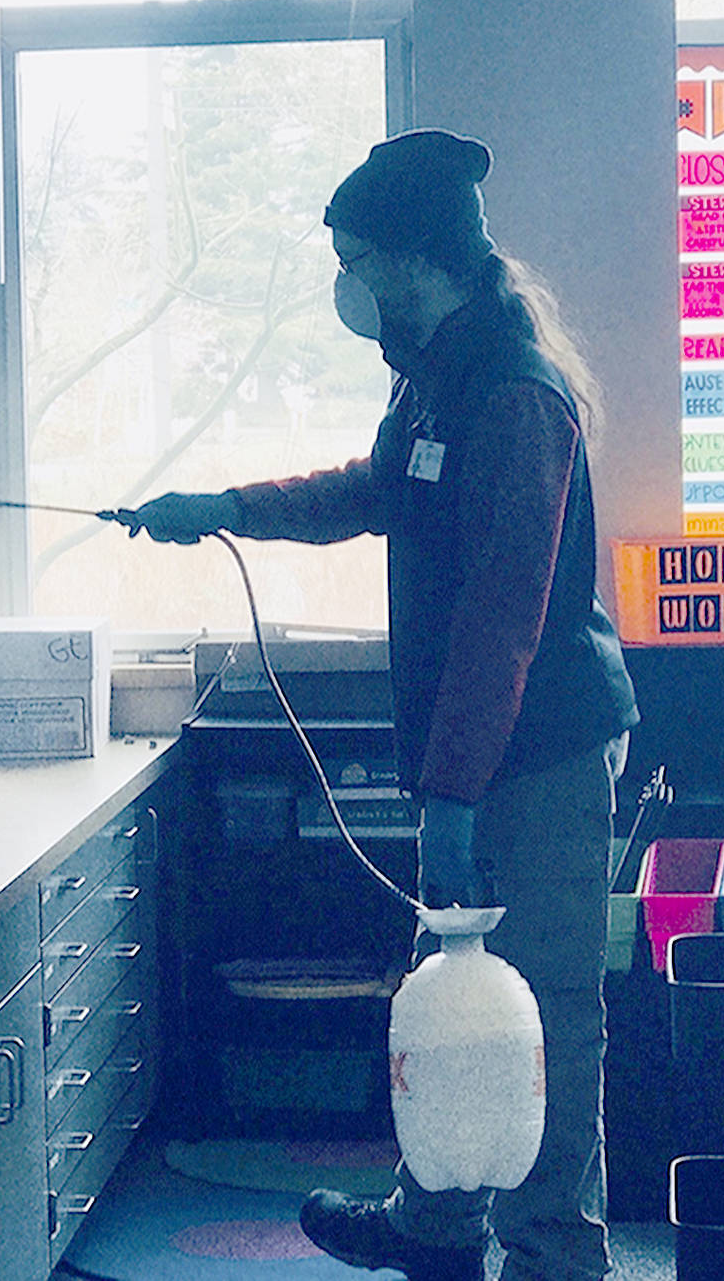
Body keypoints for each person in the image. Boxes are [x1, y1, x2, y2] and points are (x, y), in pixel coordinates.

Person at [126, 128, 639, 1281]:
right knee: (447, 990)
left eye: (354, 258)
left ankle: (558, 1250)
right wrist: (225, 505)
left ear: (414, 260)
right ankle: (438, 1221)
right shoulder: (434, 374)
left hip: (542, 747)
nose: (345, 285)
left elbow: (504, 619)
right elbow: (370, 490)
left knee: (543, 1003)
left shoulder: (516, 395)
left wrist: (452, 794)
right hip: (470, 742)